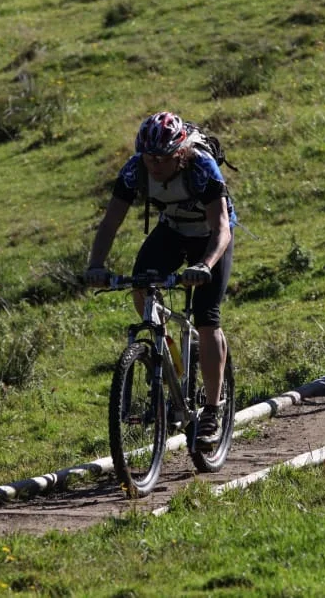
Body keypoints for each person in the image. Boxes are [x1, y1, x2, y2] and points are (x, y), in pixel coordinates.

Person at [85, 111, 236, 450]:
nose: (154, 164)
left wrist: (206, 265)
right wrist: (95, 264)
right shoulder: (134, 169)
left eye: (162, 157)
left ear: (180, 153)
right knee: (141, 287)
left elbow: (222, 228)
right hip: (173, 230)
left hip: (211, 238)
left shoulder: (200, 168)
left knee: (208, 318)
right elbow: (110, 222)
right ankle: (172, 358)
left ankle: (212, 410)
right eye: (148, 156)